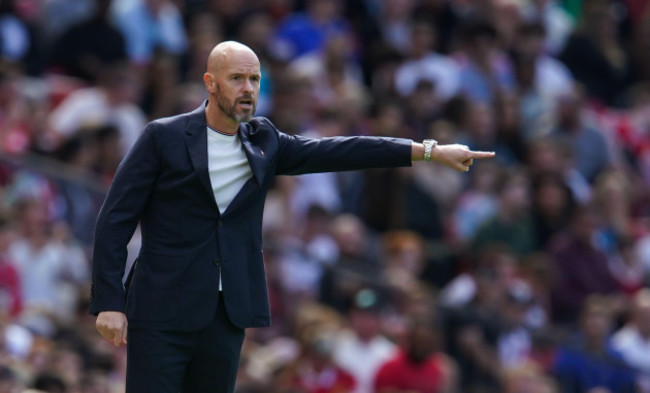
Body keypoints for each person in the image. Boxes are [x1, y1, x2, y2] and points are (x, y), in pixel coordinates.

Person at [90, 41, 494, 393]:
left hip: (225, 312)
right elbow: (115, 219)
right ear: (210, 83)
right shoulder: (163, 137)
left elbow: (342, 150)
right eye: (236, 79)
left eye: (254, 80)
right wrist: (109, 301)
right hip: (160, 309)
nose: (248, 89)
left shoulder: (264, 140)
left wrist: (428, 151)